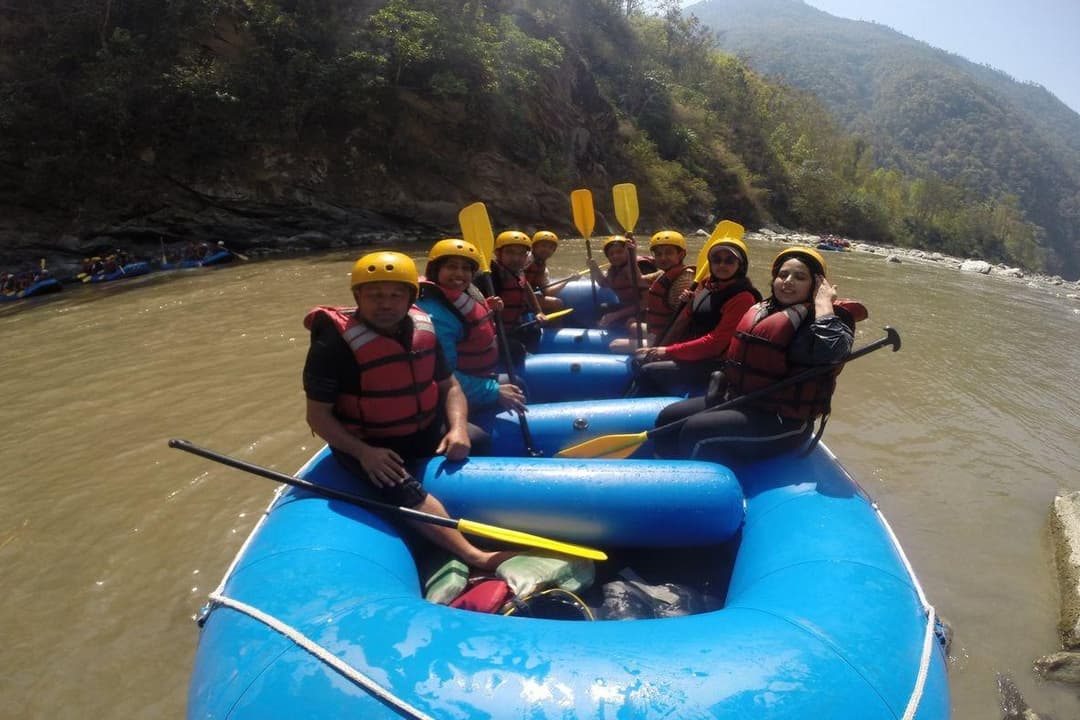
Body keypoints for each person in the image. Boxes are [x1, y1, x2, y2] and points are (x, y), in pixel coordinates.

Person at [302, 251, 511, 570]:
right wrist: (364, 453)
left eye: (395, 295)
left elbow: (450, 386)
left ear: (410, 297)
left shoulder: (423, 326)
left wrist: (456, 429)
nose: (385, 303)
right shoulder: (332, 342)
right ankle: (475, 556)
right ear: (358, 296)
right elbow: (317, 415)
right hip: (371, 443)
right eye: (375, 295)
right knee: (403, 489)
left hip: (423, 429)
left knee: (477, 439)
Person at [653, 247, 864, 463]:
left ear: (816, 285)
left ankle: (690, 490)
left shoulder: (823, 321)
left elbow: (834, 351)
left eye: (800, 277)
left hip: (783, 420)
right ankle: (661, 473)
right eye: (783, 275)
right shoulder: (764, 309)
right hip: (742, 400)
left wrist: (823, 303)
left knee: (696, 430)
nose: (788, 281)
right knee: (669, 417)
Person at [632, 234, 762, 397]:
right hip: (694, 352)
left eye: (729, 260)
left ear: (740, 265)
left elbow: (716, 343)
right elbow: (688, 320)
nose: (722, 265)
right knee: (640, 359)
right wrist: (689, 304)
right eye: (716, 260)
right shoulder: (707, 284)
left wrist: (668, 351)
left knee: (649, 370)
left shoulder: (743, 297)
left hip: (715, 362)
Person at [417, 238, 527, 414]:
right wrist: (493, 391)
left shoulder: (461, 294)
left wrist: (487, 308)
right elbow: (443, 375)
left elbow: (469, 320)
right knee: (516, 386)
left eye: (466, 268)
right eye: (452, 267)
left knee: (517, 378)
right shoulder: (435, 316)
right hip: (455, 389)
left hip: (474, 373)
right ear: (436, 269)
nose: (459, 273)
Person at [610, 230, 694, 354]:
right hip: (659, 330)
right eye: (658, 254)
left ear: (681, 254)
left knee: (614, 345)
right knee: (631, 324)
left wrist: (662, 348)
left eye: (668, 253)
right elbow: (638, 281)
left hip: (669, 339)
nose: (663, 258)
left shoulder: (684, 280)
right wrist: (631, 254)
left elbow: (681, 322)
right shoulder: (663, 273)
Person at [490, 230, 548, 363]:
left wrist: (538, 311)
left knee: (534, 331)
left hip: (513, 326)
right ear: (498, 254)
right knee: (516, 350)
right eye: (510, 252)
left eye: (521, 254)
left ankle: (532, 360)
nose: (516, 258)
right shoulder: (492, 275)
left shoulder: (518, 271)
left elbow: (526, 289)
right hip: (495, 332)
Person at [587, 235, 645, 333]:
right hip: (628, 306)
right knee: (603, 308)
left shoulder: (641, 266)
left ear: (628, 251)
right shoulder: (614, 269)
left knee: (621, 318)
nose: (615, 256)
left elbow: (646, 303)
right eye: (611, 254)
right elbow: (604, 284)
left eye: (619, 252)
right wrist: (594, 269)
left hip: (644, 311)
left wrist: (616, 315)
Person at [524, 230, 566, 315]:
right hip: (518, 296)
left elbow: (548, 292)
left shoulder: (543, 269)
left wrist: (567, 280)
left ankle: (547, 327)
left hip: (527, 297)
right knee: (557, 304)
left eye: (551, 248)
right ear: (534, 247)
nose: (547, 250)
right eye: (543, 246)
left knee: (555, 303)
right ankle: (557, 328)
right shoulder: (526, 258)